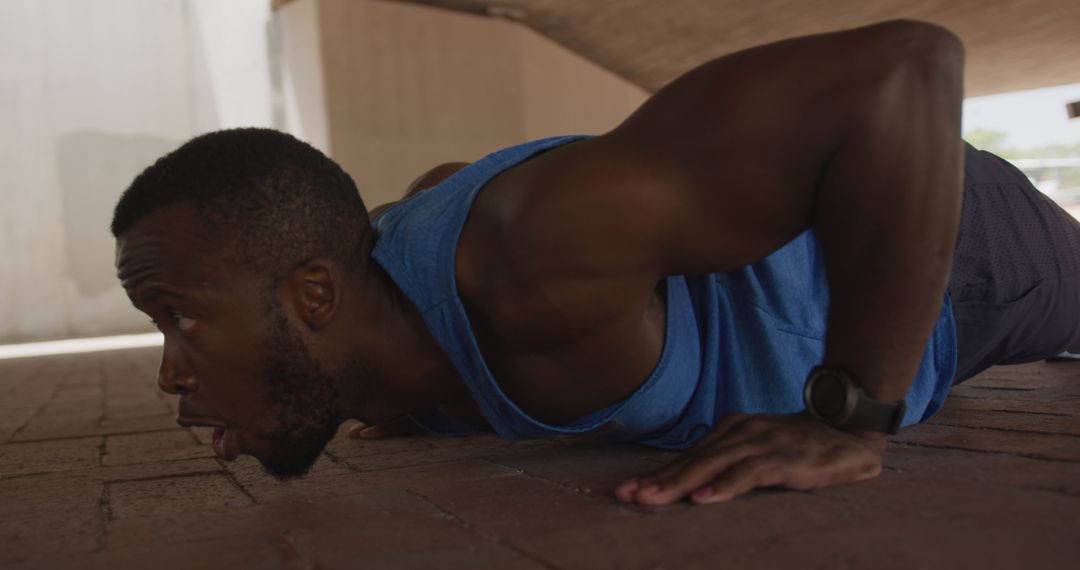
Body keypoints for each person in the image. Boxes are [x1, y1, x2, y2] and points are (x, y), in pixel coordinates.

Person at [111, 20, 1080, 506]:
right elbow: (435, 188)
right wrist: (367, 384)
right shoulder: (382, 322)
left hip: (958, 248)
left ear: (315, 294)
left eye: (180, 316)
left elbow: (908, 66)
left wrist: (855, 413)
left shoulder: (533, 251)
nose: (168, 370)